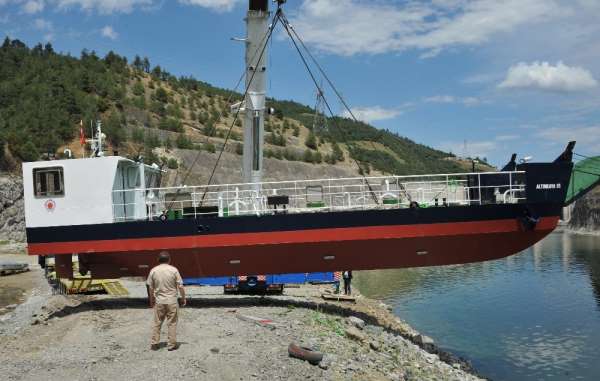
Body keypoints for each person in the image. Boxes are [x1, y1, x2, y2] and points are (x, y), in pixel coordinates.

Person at [146, 251, 186, 351]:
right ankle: (171, 345)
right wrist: (183, 298)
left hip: (159, 301)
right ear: (169, 259)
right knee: (172, 323)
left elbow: (150, 287)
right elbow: (180, 286)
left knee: (157, 323)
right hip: (172, 301)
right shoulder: (174, 270)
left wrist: (151, 300)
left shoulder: (153, 271)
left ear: (158, 260)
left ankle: (154, 343)